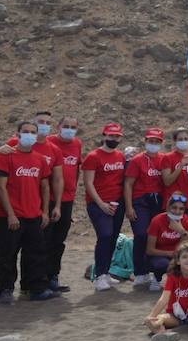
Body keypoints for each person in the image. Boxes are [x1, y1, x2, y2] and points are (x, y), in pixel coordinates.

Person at [0, 120, 55, 304]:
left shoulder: (40, 159)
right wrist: (10, 214)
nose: (29, 135)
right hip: (10, 217)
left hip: (33, 216)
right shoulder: (6, 156)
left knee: (36, 254)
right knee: (7, 255)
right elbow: (1, 188)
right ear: (17, 134)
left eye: (32, 132)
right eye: (25, 131)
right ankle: (5, 290)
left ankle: (34, 289)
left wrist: (44, 212)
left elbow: (45, 187)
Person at [82, 124, 127, 291]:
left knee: (114, 237)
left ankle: (107, 272)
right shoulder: (93, 156)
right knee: (105, 235)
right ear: (104, 135)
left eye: (117, 137)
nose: (114, 139)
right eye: (111, 136)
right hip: (98, 203)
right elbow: (88, 183)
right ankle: (99, 275)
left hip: (117, 203)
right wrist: (101, 204)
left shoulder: (120, 156)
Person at [124, 127, 166, 286]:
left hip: (158, 201)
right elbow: (128, 184)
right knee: (141, 234)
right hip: (140, 201)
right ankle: (140, 272)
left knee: (155, 237)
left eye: (156, 141)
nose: (153, 144)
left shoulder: (164, 159)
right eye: (150, 141)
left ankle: (155, 273)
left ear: (161, 143)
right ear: (145, 141)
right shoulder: (137, 160)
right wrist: (129, 207)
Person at [44, 115, 82, 290]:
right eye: (65, 126)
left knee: (59, 241)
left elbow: (76, 169)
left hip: (67, 199)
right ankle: (39, 279)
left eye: (72, 127)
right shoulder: (48, 142)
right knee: (44, 239)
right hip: (47, 199)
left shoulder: (77, 144)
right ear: (58, 127)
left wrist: (72, 190)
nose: (69, 129)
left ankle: (53, 276)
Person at [145, 194, 188, 289]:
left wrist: (181, 231)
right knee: (162, 264)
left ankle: (183, 279)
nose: (177, 212)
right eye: (174, 208)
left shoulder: (186, 219)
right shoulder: (157, 220)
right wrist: (170, 253)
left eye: (181, 209)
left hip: (178, 253)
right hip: (160, 255)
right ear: (168, 208)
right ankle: (157, 278)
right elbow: (149, 250)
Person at [160, 126, 188, 223]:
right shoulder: (168, 157)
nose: (183, 141)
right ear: (175, 141)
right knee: (172, 234)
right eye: (180, 139)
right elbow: (167, 181)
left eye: (185, 139)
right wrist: (181, 165)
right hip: (173, 203)